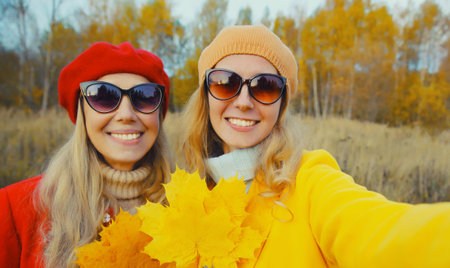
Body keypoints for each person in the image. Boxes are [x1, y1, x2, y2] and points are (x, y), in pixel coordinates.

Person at [179, 25, 450, 267]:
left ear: (281, 106)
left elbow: (382, 233)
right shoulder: (188, 200)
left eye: (265, 87)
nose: (244, 101)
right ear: (206, 96)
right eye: (226, 83)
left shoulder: (309, 182)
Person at [0, 42, 171, 268]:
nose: (126, 114)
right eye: (104, 96)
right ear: (82, 113)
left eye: (145, 96)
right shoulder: (15, 209)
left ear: (158, 114)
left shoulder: (186, 208)